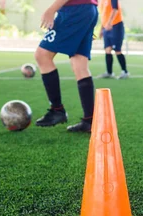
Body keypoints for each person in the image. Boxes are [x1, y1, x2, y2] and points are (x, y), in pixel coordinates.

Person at [34, 0, 98, 133]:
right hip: (88, 10)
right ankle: (90, 120)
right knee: (79, 64)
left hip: (75, 10)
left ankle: (57, 110)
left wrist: (51, 10)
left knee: (42, 55)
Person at [99, 0, 129, 79]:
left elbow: (115, 9)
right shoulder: (102, 1)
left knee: (117, 50)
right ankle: (109, 72)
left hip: (116, 25)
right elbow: (104, 15)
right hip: (106, 27)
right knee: (107, 49)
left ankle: (125, 71)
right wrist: (101, 29)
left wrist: (109, 22)